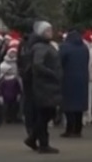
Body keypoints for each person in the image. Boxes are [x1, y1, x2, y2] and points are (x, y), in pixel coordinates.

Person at [23, 21, 62, 154]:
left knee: (46, 113)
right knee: (46, 113)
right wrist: (53, 74)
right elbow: (38, 65)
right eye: (47, 31)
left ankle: (34, 139)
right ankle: (42, 143)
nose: (50, 33)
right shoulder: (40, 47)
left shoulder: (46, 46)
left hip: (48, 85)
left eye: (51, 30)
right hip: (44, 85)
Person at [59, 30, 90, 137]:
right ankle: (78, 129)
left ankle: (69, 129)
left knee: (69, 106)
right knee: (79, 107)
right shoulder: (84, 48)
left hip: (68, 79)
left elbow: (60, 62)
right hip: (82, 79)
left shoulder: (65, 48)